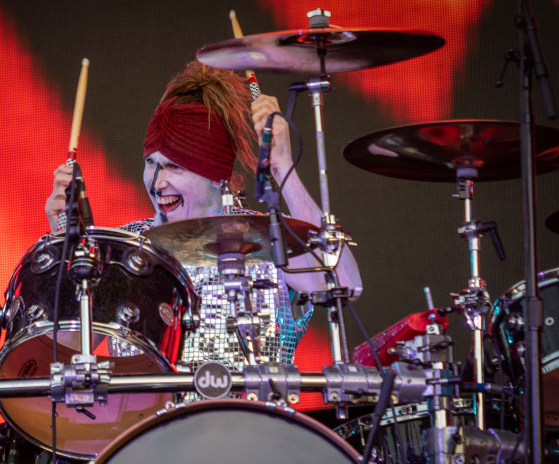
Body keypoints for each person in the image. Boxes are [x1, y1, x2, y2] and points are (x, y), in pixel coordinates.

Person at [45, 61, 361, 372]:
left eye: (174, 166)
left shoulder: (263, 235)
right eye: (151, 164)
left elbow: (344, 283)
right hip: (148, 423)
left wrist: (282, 169)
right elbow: (60, 357)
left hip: (255, 420)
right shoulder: (127, 250)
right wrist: (64, 249)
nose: (157, 183)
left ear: (215, 176)